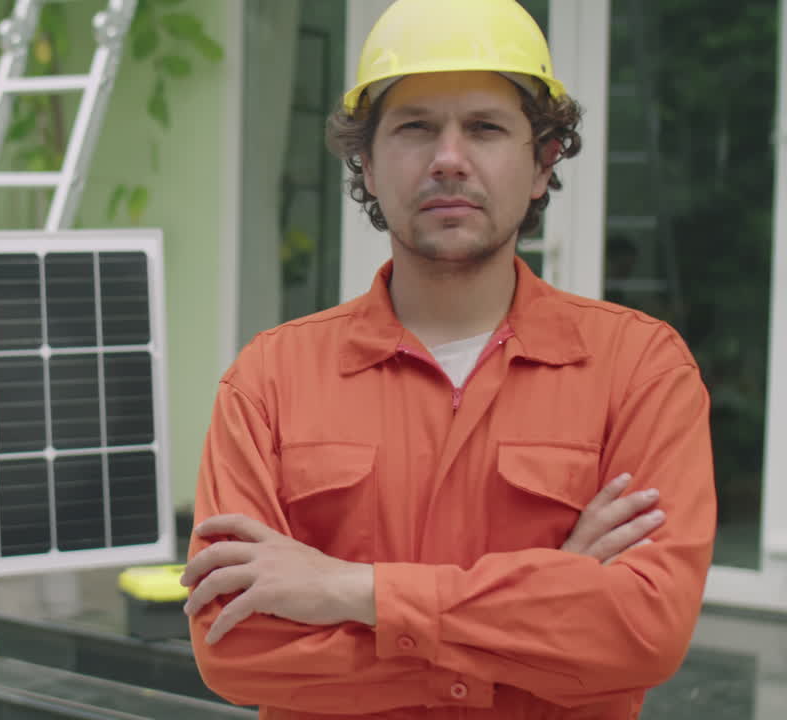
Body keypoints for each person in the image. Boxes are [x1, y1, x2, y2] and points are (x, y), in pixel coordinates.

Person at [180, 1, 716, 718]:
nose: (449, 158)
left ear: (542, 161)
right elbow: (234, 648)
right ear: (365, 164)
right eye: (416, 127)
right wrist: (546, 608)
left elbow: (644, 632)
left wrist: (352, 590)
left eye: (486, 128)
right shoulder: (268, 381)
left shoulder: (641, 370)